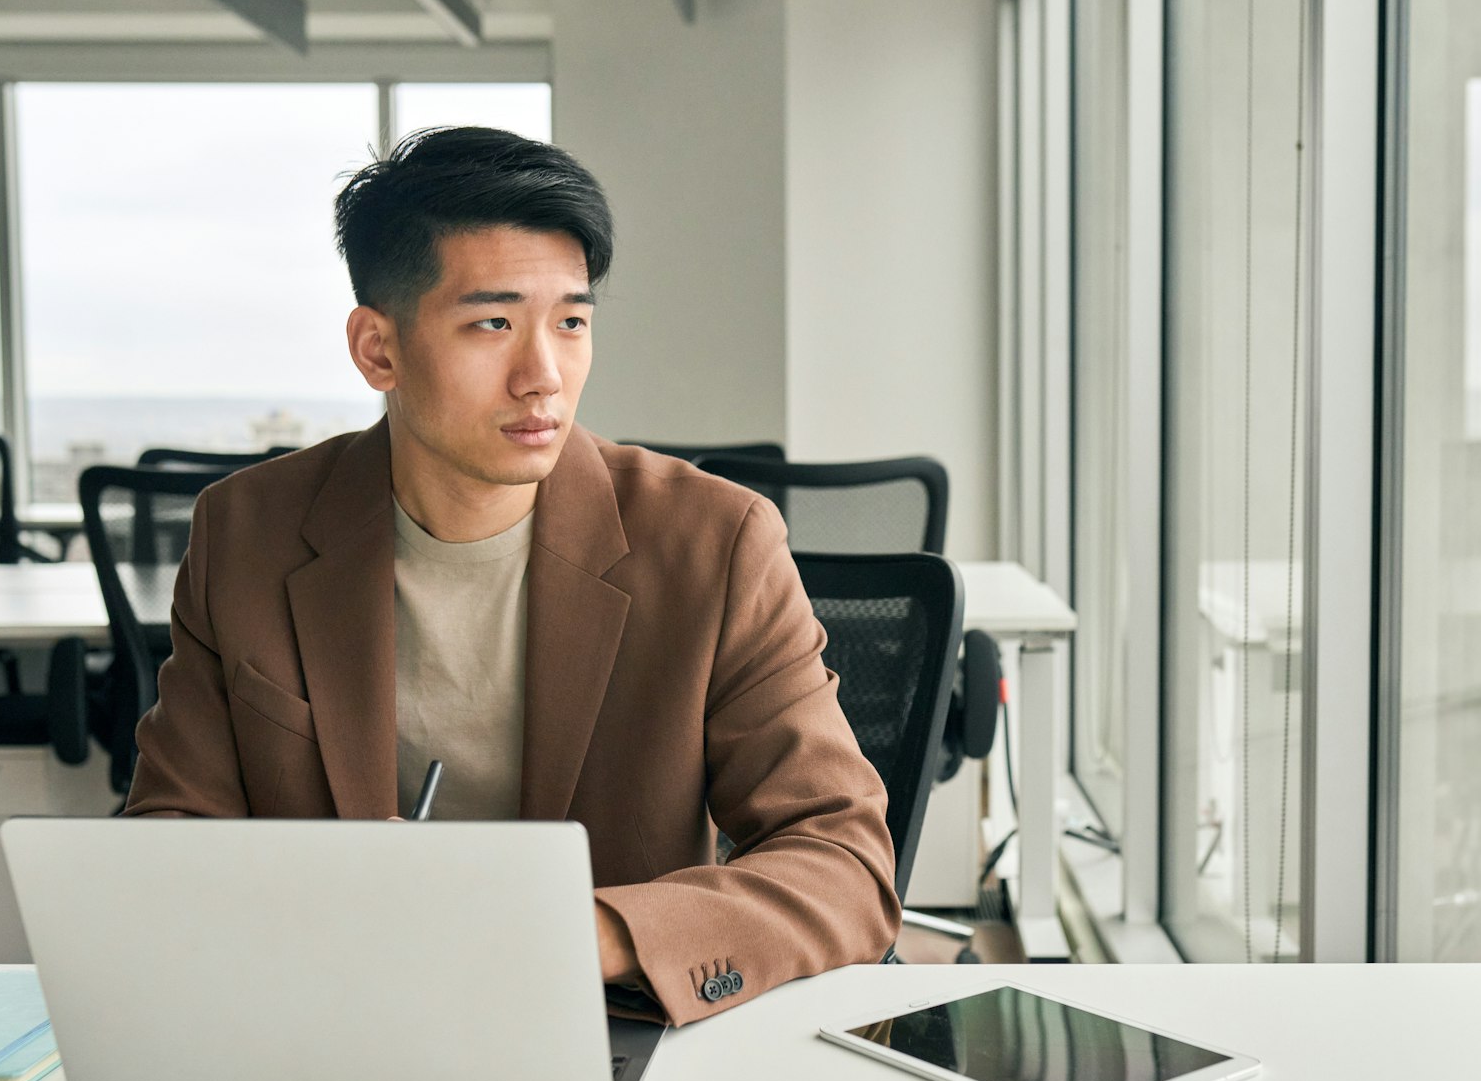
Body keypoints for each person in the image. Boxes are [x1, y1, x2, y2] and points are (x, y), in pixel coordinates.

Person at [122, 126, 899, 1025]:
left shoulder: (713, 542)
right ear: (379, 350)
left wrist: (597, 933)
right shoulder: (249, 531)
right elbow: (169, 844)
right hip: (336, 1018)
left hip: (607, 1019)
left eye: (570, 322)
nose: (544, 377)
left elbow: (842, 857)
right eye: (492, 324)